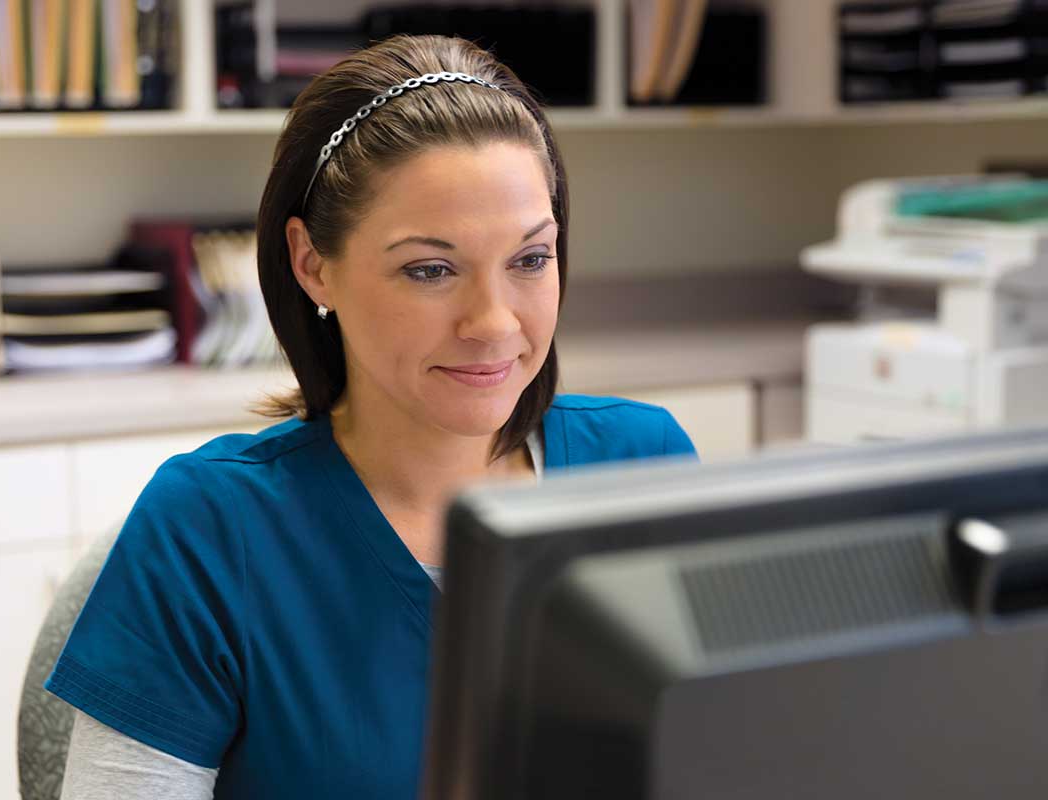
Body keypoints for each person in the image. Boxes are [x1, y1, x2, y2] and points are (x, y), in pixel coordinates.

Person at [45, 34, 696, 799]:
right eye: (430, 269)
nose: (493, 323)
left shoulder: (643, 465)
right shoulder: (211, 529)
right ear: (312, 263)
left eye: (530, 259)